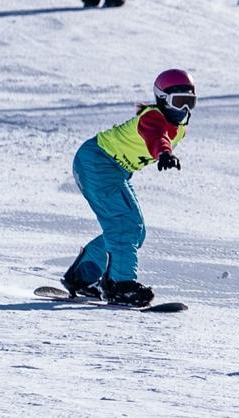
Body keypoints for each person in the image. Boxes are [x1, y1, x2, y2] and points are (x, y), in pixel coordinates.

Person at [60, 69, 197, 307]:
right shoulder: (152, 117)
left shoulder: (179, 126)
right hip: (97, 162)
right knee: (125, 224)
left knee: (134, 231)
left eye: (190, 102)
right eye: (178, 101)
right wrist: (164, 153)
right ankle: (120, 284)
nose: (184, 109)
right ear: (163, 99)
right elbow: (156, 137)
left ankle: (83, 277)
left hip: (111, 169)